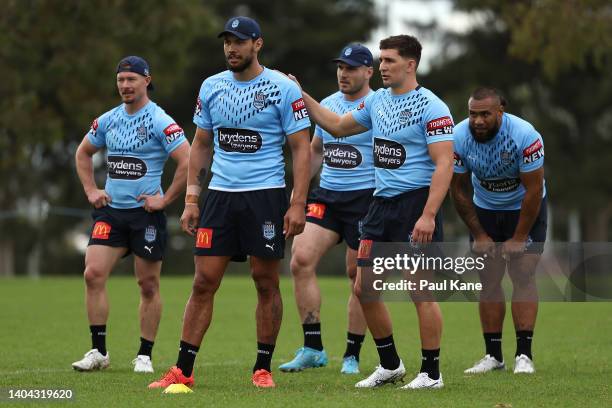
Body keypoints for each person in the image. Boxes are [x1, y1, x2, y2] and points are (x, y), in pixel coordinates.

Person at [148, 16, 311, 390]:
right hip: (220, 197)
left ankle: (262, 368)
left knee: (265, 281)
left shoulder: (282, 88)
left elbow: (301, 147)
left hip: (266, 196)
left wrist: (297, 202)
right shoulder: (211, 86)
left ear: (258, 44)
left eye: (239, 42)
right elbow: (202, 143)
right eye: (227, 42)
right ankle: (182, 370)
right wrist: (192, 199)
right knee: (203, 281)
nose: (231, 48)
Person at [288, 34, 454, 389]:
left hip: (415, 205)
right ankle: (390, 364)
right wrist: (300, 94)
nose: (382, 67)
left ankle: (432, 373)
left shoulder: (432, 106)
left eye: (390, 60)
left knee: (419, 291)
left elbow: (444, 165)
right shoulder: (377, 102)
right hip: (379, 206)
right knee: (366, 289)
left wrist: (428, 215)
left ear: (411, 65)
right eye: (381, 60)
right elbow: (336, 126)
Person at [72, 56, 190, 373]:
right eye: (121, 80)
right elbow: (83, 153)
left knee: (148, 285)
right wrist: (91, 191)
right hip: (111, 214)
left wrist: (164, 199)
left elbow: (187, 159)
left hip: (145, 217)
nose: (125, 85)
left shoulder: (159, 120)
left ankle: (144, 355)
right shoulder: (108, 120)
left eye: (131, 80)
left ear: (146, 81)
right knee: (92, 274)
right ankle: (98, 352)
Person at [278, 44, 374, 375]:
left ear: (368, 72)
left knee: (357, 277)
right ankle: (313, 348)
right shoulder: (328, 103)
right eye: (340, 68)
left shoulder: (376, 105)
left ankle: (352, 353)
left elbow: (338, 127)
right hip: (329, 197)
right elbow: (316, 149)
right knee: (300, 260)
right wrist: (298, 197)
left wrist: (299, 93)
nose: (343, 74)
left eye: (351, 68)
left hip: (366, 200)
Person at [451, 87, 546, 375]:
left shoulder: (525, 136)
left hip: (524, 208)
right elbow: (457, 189)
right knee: (489, 279)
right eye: (472, 114)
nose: (477, 121)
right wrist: (479, 233)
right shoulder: (458, 137)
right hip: (485, 210)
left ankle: (524, 356)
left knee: (522, 274)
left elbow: (533, 191)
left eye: (485, 114)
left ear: (500, 113)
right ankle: (494, 356)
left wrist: (519, 238)